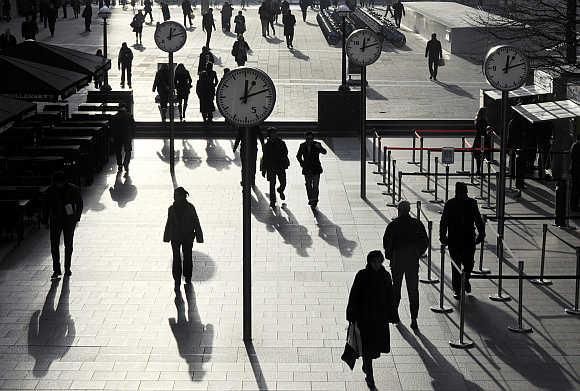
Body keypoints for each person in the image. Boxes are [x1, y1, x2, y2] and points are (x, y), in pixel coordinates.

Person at [346, 250, 399, 389]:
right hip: (365, 319)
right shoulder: (362, 275)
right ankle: (370, 375)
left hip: (379, 320)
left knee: (374, 349)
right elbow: (354, 295)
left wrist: (393, 314)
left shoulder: (385, 276)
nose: (377, 264)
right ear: (369, 262)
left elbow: (390, 297)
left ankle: (366, 365)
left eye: (379, 262)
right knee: (368, 348)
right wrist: (351, 313)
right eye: (374, 262)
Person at [383, 200, 428, 330]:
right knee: (413, 290)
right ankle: (414, 318)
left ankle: (395, 314)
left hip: (397, 261)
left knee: (396, 288)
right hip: (412, 261)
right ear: (409, 210)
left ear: (398, 210)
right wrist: (417, 253)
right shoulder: (416, 224)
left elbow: (386, 242)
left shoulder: (393, 225)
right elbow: (425, 241)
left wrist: (390, 255)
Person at [440, 182, 485, 298]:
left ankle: (465, 279)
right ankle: (457, 288)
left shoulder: (471, 203)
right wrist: (443, 236)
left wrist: (481, 233)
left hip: (468, 238)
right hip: (455, 239)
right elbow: (444, 221)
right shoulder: (450, 204)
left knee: (469, 263)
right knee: (456, 264)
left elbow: (478, 220)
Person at [42, 171, 84, 280]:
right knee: (55, 246)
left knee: (68, 245)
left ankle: (67, 268)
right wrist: (45, 220)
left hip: (68, 220)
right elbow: (45, 207)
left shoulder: (72, 189)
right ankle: (56, 269)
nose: (59, 185)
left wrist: (77, 217)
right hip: (57, 220)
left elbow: (79, 203)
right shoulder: (50, 191)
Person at [163, 187, 204, 290]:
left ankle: (188, 276)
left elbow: (196, 222)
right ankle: (177, 278)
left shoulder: (190, 208)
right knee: (176, 258)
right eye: (174, 195)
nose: (174, 197)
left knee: (187, 257)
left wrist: (199, 236)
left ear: (182, 196)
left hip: (187, 236)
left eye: (176, 195)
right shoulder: (171, 208)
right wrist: (167, 236)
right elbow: (169, 223)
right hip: (175, 237)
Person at [296, 131, 327, 210]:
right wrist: (302, 163)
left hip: (316, 168)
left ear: (313, 138)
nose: (309, 140)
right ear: (305, 138)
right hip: (307, 168)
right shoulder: (302, 146)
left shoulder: (317, 144)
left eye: (310, 138)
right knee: (308, 184)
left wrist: (319, 147)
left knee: (315, 185)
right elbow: (298, 156)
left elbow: (324, 152)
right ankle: (311, 198)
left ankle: (315, 199)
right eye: (307, 138)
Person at [261, 127, 289, 208]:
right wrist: (264, 169)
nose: (273, 135)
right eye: (272, 133)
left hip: (280, 166)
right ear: (269, 135)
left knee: (283, 182)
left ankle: (280, 190)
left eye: (274, 133)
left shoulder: (281, 143)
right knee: (272, 184)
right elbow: (265, 157)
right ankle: (272, 201)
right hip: (271, 167)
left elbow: (285, 152)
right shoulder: (266, 145)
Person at [111, 104, 135, 175]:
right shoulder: (129, 116)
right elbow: (133, 126)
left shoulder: (114, 116)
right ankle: (126, 163)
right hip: (127, 136)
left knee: (118, 151)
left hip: (117, 136)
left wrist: (112, 136)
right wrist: (133, 135)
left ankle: (120, 165)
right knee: (128, 151)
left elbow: (112, 128)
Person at [473, 107, 487, 175]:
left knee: (478, 155)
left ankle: (478, 169)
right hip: (482, 139)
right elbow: (483, 131)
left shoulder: (477, 120)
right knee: (481, 154)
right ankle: (479, 170)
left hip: (477, 138)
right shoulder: (483, 121)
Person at [570, 134, 580, 211]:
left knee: (575, 188)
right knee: (576, 188)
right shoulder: (577, 146)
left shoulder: (574, 145)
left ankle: (574, 205)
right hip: (577, 170)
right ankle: (574, 205)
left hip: (575, 169)